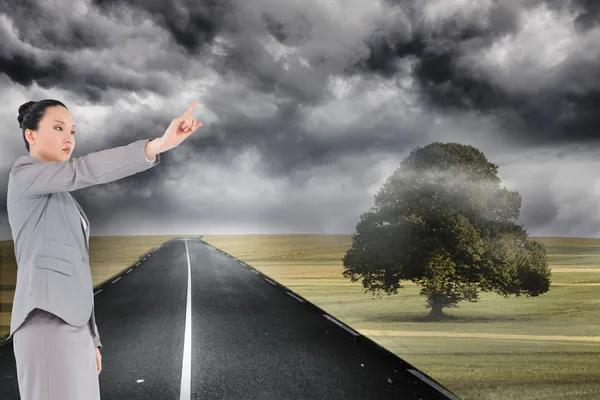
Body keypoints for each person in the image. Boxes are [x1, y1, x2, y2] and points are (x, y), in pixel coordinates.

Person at [6, 98, 202, 399]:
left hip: (74, 328)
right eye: (59, 128)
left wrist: (91, 338)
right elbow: (83, 170)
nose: (69, 138)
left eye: (73, 131)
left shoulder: (63, 201)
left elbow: (75, 272)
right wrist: (156, 146)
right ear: (31, 135)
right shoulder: (23, 175)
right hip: (44, 322)